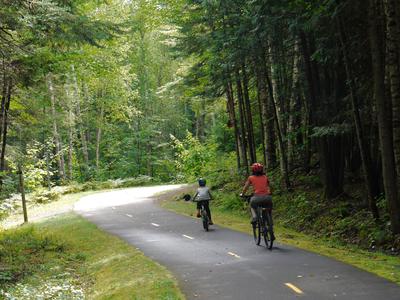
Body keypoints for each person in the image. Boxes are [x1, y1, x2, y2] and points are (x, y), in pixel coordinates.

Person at [240, 163, 275, 240]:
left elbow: (245, 187)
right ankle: (270, 227)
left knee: (252, 205)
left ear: (252, 170)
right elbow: (271, 186)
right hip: (267, 197)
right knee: (268, 211)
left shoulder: (251, 178)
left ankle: (255, 217)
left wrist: (242, 194)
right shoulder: (265, 177)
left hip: (256, 198)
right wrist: (270, 192)